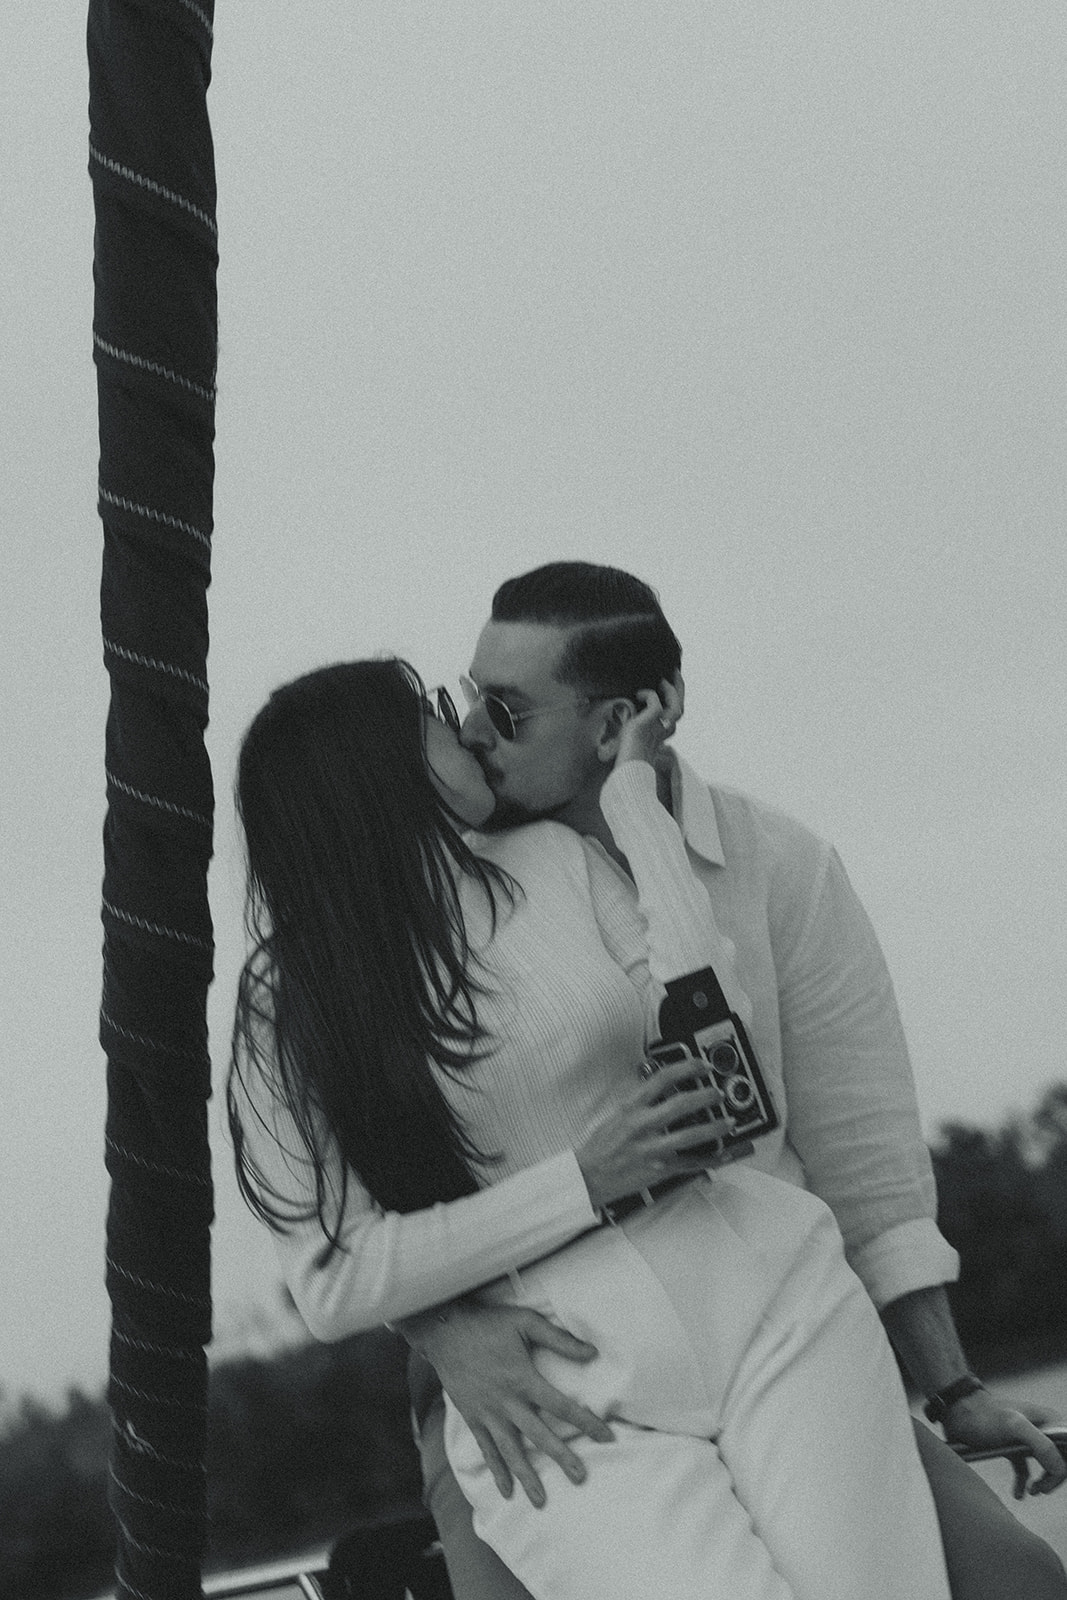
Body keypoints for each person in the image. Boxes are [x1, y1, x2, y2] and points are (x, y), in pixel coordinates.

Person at [397, 561, 1067, 1600]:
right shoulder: (431, 897)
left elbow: (865, 1156)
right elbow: (357, 1185)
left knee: (1014, 1581)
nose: (473, 730)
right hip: (528, 1373)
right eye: (468, 696)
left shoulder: (777, 864)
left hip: (774, 1339)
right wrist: (443, 1336)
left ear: (619, 719)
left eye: (508, 709)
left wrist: (954, 1383)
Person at [228, 655, 954, 1599]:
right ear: (377, 766)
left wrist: (636, 810)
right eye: (441, 715)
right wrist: (581, 1180)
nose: (471, 730)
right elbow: (335, 1278)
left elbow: (714, 1040)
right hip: (555, 1378)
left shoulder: (555, 860)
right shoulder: (285, 1006)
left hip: (773, 1294)